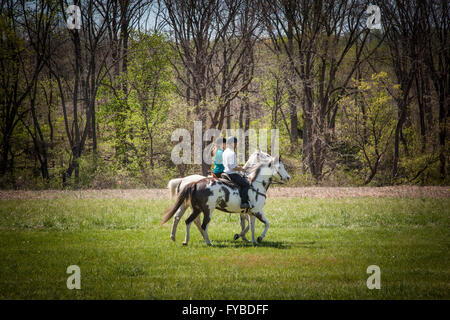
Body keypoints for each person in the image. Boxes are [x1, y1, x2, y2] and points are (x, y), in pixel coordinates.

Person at [222, 136, 252, 209]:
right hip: (232, 174)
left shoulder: (225, 152)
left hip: (225, 172)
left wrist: (238, 167)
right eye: (235, 143)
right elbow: (233, 167)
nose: (236, 145)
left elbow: (231, 165)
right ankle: (244, 202)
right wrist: (242, 169)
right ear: (232, 143)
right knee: (246, 184)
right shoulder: (232, 153)